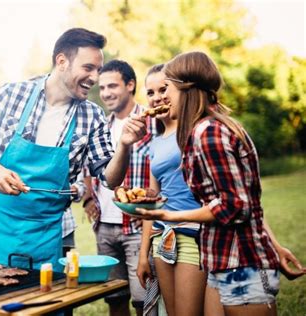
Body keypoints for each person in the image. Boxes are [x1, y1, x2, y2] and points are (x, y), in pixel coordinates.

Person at [133, 51, 305, 316]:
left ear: (187, 88)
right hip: (223, 257)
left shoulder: (209, 132)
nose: (163, 97)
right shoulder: (211, 127)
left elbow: (235, 206)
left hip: (242, 261)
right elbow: (244, 200)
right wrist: (274, 246)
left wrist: (168, 214)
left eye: (169, 88)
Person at [0, 28, 147, 270]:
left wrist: (124, 145)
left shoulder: (92, 116)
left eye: (98, 70)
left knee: (43, 305)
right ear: (62, 61)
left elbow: (110, 179)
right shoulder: (12, 95)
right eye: (88, 68)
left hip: (45, 238)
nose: (94, 77)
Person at [83, 59, 155, 316]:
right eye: (102, 88)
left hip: (137, 227)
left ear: (130, 85)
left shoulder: (151, 122)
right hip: (104, 227)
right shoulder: (100, 125)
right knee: (115, 298)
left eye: (112, 86)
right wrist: (88, 198)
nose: (106, 93)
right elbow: (88, 166)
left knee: (144, 301)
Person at [137, 64, 205, 316]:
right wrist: (144, 254)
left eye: (164, 89)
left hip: (192, 233)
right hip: (162, 238)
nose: (157, 98)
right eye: (151, 92)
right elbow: (152, 202)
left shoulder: (195, 130)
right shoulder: (154, 143)